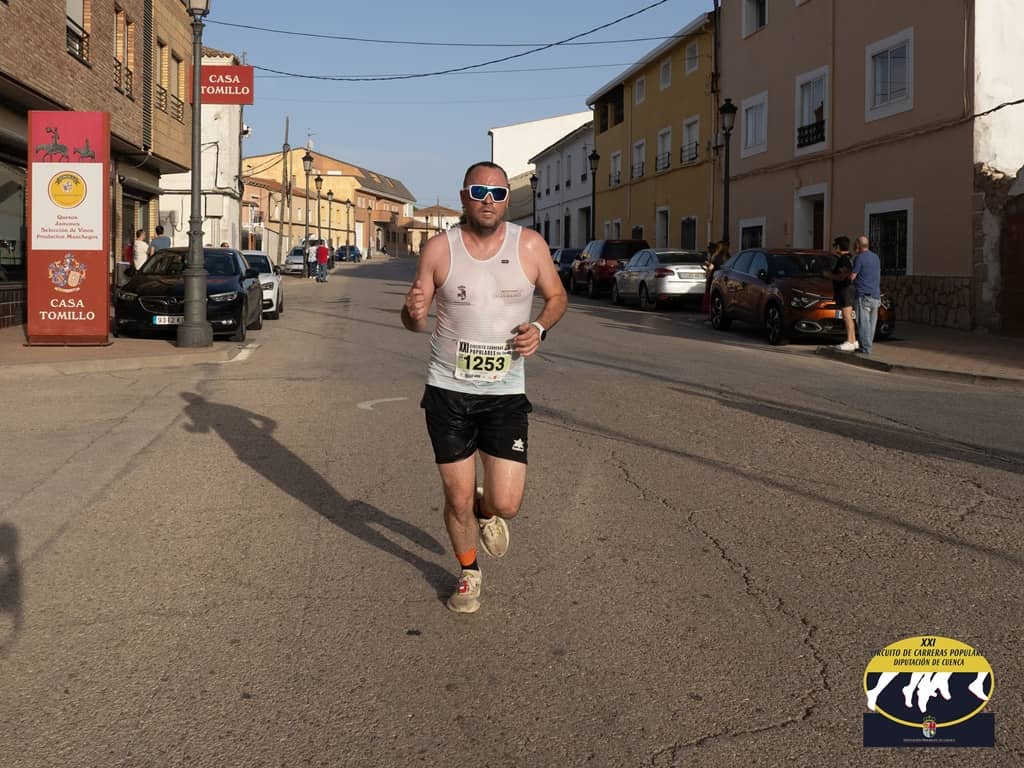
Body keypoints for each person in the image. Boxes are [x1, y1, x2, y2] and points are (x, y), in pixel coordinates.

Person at [401, 161, 567, 614]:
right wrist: (412, 312)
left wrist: (540, 328)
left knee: (507, 504)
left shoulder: (529, 245)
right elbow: (414, 321)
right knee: (457, 497)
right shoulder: (439, 249)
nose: (488, 200)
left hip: (504, 393)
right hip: (447, 391)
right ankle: (468, 571)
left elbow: (557, 297)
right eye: (479, 192)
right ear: (464, 197)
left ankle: (488, 511)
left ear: (507, 199)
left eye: (497, 193)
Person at [825, 235, 857, 351]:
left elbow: (843, 275)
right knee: (848, 316)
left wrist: (829, 275)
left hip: (845, 290)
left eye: (835, 246)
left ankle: (850, 341)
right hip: (849, 289)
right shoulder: (850, 258)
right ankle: (853, 340)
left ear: (838, 247)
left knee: (846, 316)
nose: (834, 248)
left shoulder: (843, 260)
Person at [850, 235, 882, 354]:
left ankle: (865, 348)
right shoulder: (876, 257)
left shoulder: (859, 258)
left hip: (863, 295)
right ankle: (867, 346)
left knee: (863, 324)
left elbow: (852, 276)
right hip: (875, 296)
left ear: (858, 245)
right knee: (871, 325)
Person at [700, 240, 728, 313]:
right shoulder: (728, 257)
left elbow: (711, 268)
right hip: (725, 279)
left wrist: (707, 276)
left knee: (713, 295)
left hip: (715, 278)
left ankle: (711, 310)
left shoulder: (715, 257)